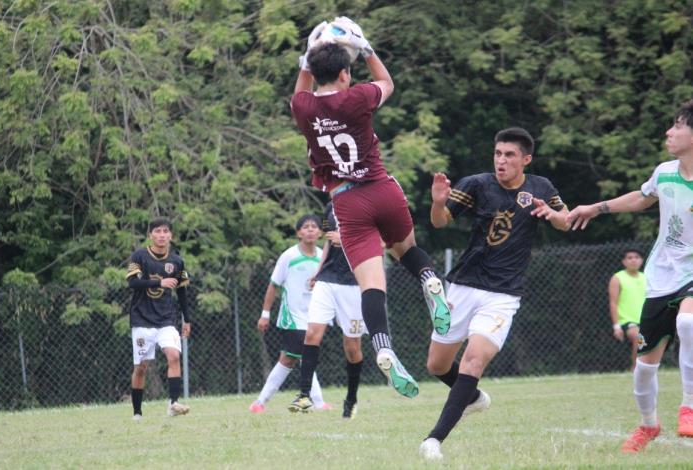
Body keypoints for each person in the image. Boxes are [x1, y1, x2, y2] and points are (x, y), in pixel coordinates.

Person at [290, 18, 450, 400]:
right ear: (346, 73)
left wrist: (306, 59)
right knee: (407, 251)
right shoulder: (359, 96)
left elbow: (302, 89)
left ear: (315, 72)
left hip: (347, 201)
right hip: (382, 188)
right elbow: (388, 84)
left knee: (371, 286)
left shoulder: (304, 107)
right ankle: (430, 280)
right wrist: (365, 47)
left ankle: (383, 348)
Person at [420, 127, 570, 460]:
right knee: (436, 364)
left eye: (509, 155)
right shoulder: (476, 184)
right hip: (462, 286)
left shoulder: (541, 188)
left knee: (474, 359)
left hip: (502, 295)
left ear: (526, 160)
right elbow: (441, 221)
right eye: (498, 154)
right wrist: (438, 203)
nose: (501, 161)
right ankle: (473, 399)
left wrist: (553, 214)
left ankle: (434, 440)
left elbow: (566, 220)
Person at [567, 100, 693, 452]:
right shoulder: (665, 171)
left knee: (688, 324)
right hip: (662, 274)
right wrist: (596, 207)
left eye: (678, 125)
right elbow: (641, 198)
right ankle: (648, 426)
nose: (669, 131)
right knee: (644, 367)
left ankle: (689, 405)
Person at [287, 202, 366, 419]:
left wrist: (347, 239)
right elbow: (330, 244)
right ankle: (304, 396)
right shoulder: (330, 207)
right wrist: (318, 270)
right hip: (327, 280)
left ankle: (351, 397)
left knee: (352, 347)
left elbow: (379, 241)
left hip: (354, 283)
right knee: (312, 333)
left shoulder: (367, 202)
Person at [249, 214, 330, 413]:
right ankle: (318, 403)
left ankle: (259, 403)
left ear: (320, 233)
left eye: (314, 227)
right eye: (305, 227)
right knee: (304, 355)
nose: (310, 230)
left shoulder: (322, 257)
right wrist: (265, 314)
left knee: (288, 360)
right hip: (292, 317)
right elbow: (273, 285)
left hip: (313, 317)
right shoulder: (289, 256)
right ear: (298, 233)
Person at [126, 217, 192, 420]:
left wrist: (186, 319)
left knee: (173, 356)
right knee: (141, 367)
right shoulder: (140, 256)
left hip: (166, 319)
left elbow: (181, 292)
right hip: (142, 320)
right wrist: (159, 283)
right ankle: (137, 413)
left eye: (165, 231)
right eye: (157, 231)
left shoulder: (177, 261)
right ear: (150, 235)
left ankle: (173, 404)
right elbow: (132, 283)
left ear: (171, 235)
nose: (162, 235)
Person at [608, 249, 646, 371]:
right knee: (638, 336)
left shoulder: (647, 277)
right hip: (628, 321)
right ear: (624, 261)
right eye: (629, 258)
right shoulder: (618, 277)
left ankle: (647, 368)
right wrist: (616, 326)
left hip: (647, 319)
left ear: (641, 260)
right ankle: (635, 368)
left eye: (636, 257)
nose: (633, 260)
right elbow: (613, 302)